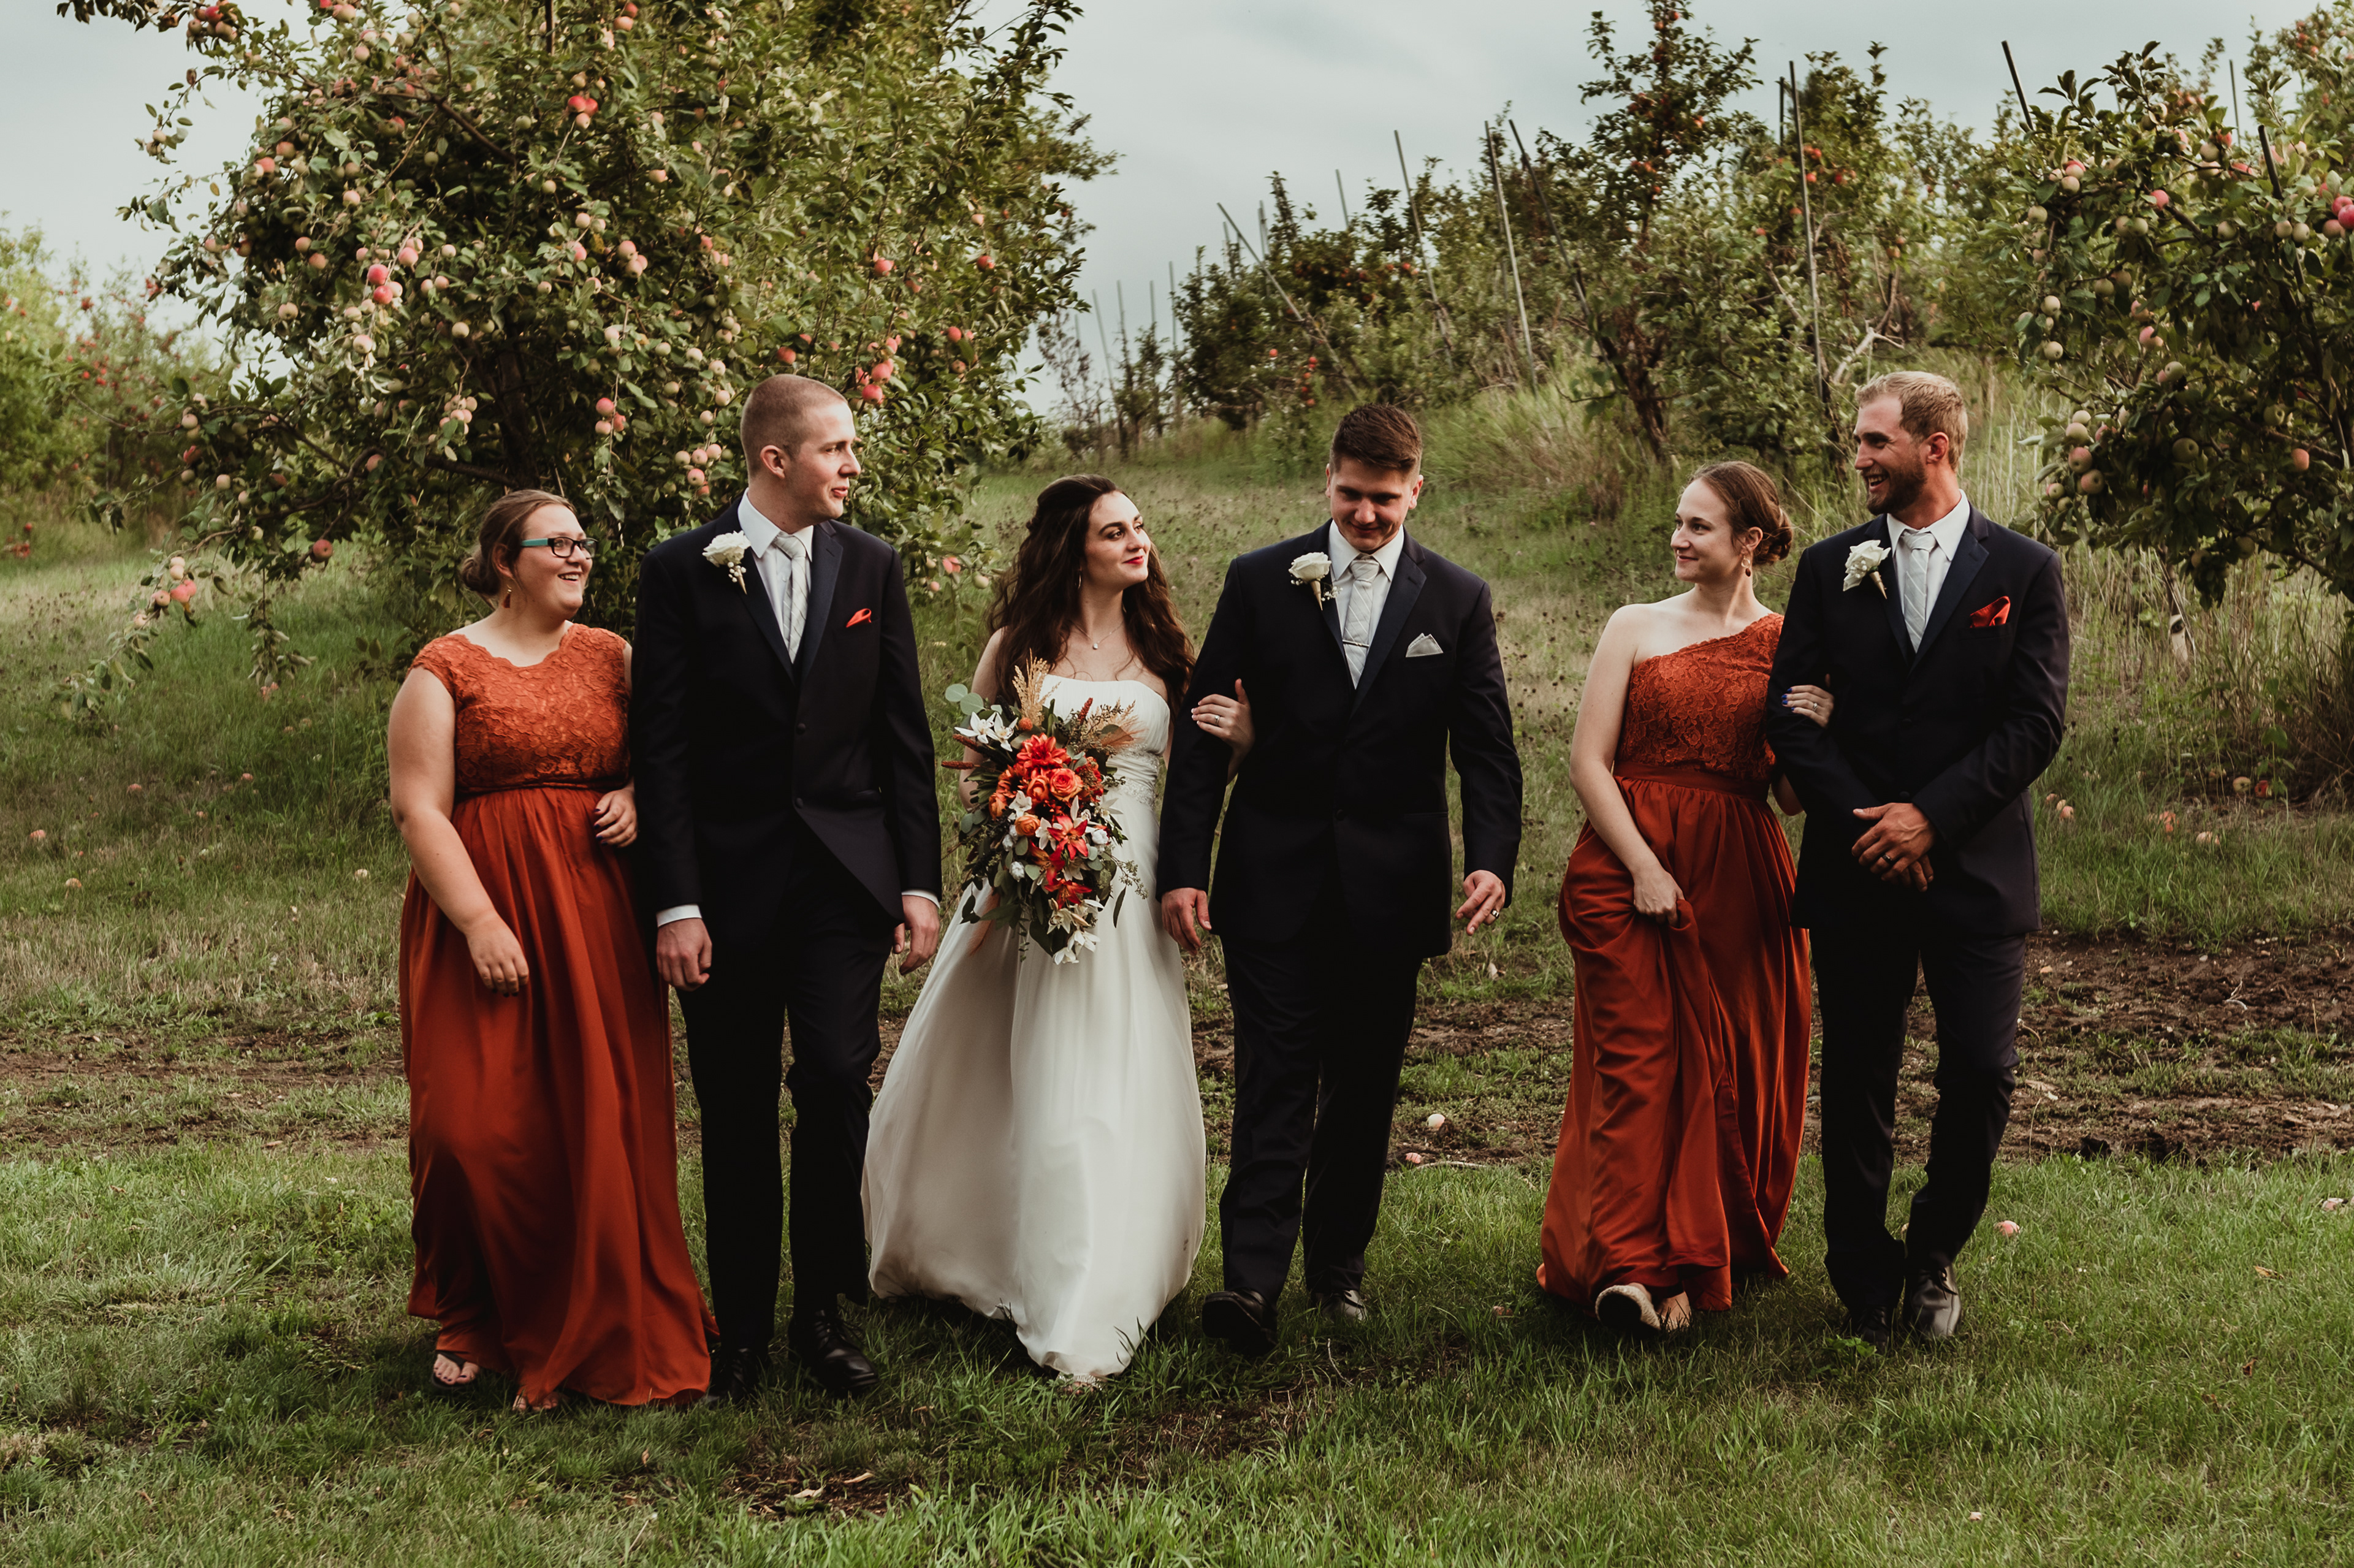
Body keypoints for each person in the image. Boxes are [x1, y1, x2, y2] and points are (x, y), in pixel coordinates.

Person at [865, 475, 1251, 1382]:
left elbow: (1196, 773)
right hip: (1027, 876)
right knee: (1009, 1066)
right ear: (1073, 547)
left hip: (1131, 883)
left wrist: (1245, 741)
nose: (1138, 541)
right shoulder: (1018, 647)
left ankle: (1101, 1268)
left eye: (1140, 527)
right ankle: (985, 1244)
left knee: (1109, 1061)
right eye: (1116, 531)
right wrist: (1017, 840)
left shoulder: (1167, 649)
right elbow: (976, 765)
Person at [1158, 404, 1524, 1357]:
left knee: (1363, 1087)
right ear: (1327, 480)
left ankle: (1337, 1268)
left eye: (1384, 500)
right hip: (1272, 872)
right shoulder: (1258, 579)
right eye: (1351, 495)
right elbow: (1204, 733)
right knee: (1273, 1077)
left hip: (1393, 886)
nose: (1365, 515)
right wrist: (1183, 868)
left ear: (1416, 492)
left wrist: (1491, 856)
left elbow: (1487, 748)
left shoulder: (1457, 598)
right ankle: (1251, 1281)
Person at [631, 375, 944, 1402]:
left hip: (844, 885)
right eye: (836, 448)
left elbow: (903, 738)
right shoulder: (680, 569)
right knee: (732, 1108)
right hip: (724, 891)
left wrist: (918, 883)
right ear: (776, 459)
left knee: (837, 1084)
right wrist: (676, 903)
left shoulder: (872, 564)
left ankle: (821, 1313)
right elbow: (661, 749)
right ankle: (743, 1332)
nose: (853, 465)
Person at [387, 489, 713, 1411]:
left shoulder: (614, 657)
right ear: (506, 560)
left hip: (596, 914)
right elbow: (419, 809)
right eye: (556, 543)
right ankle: (476, 1312)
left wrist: (641, 795)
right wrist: (480, 922)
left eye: (584, 543)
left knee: (592, 1117)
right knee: (467, 1127)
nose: (578, 556)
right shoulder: (444, 667)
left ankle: (597, 1310)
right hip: (480, 913)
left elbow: (675, 755)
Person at [1766, 370, 2070, 1350]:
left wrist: (1930, 819)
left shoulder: (2024, 571)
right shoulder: (1831, 567)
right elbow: (1792, 715)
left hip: (1974, 870)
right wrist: (1874, 823)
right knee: (1858, 1073)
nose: (1857, 457)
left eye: (1873, 441)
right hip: (1858, 864)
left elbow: (2034, 723)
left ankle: (1934, 1251)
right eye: (1859, 441)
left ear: (1934, 447)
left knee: (1981, 1070)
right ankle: (1862, 1273)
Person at [1536, 462, 1837, 1334]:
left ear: (1749, 543)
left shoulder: (1787, 642)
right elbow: (1588, 762)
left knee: (1722, 1062)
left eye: (1699, 526)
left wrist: (1823, 732)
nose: (1678, 537)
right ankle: (1631, 1268)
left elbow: (1789, 797)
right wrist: (1641, 866)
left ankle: (1685, 1258)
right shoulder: (1634, 625)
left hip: (1740, 870)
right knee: (1642, 1058)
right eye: (1678, 521)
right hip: (1625, 863)